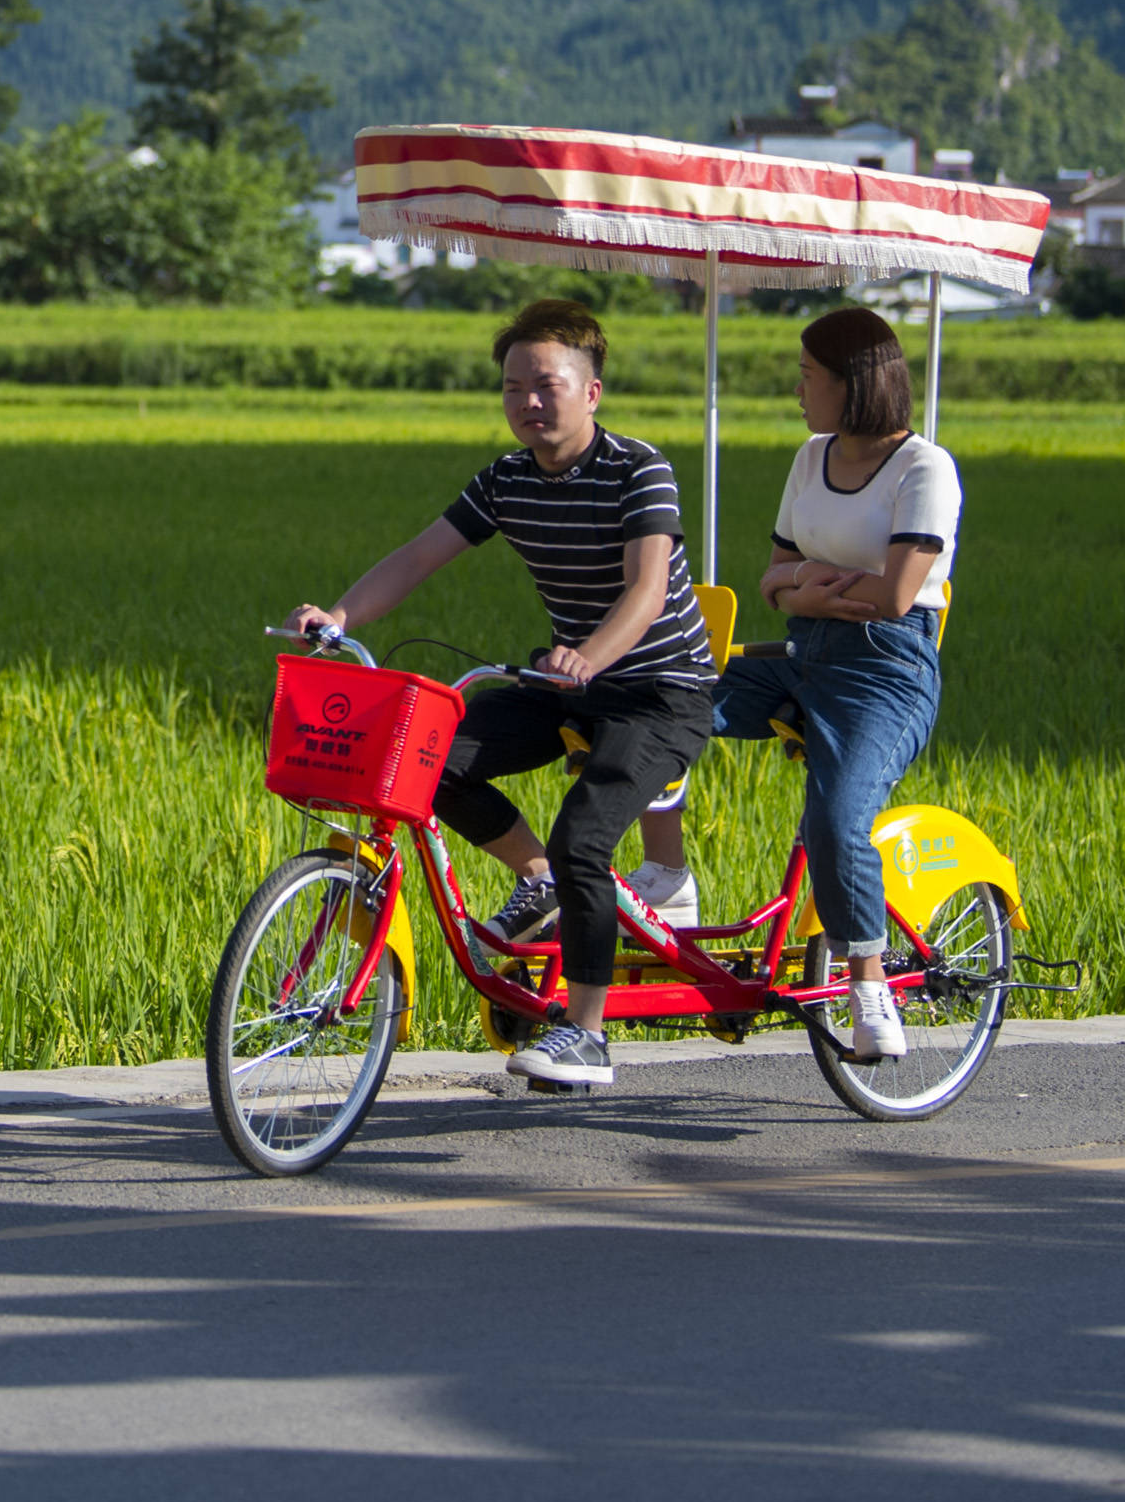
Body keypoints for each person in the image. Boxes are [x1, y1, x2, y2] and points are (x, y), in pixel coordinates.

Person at [293, 297, 717, 1092]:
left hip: (662, 691)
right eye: (513, 386)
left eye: (546, 385)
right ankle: (539, 879)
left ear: (590, 392)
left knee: (584, 836)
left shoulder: (638, 468)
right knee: (428, 760)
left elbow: (648, 589)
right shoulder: (508, 479)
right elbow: (419, 557)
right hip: (569, 684)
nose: (528, 401)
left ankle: (586, 1033)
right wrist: (338, 614)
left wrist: (589, 657)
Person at [700, 304, 963, 1064]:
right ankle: (667, 875)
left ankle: (869, 980)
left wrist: (805, 584)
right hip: (799, 647)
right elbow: (772, 575)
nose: (797, 390)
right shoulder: (810, 456)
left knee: (838, 816)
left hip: (885, 668)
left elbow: (896, 596)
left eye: (809, 376)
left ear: (853, 383)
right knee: (663, 699)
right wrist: (814, 588)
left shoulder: (925, 468)